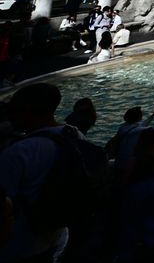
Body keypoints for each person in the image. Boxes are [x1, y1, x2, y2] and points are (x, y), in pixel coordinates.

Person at [0, 83, 98, 263]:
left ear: (27, 110)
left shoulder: (20, 152)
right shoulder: (75, 134)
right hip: (60, 233)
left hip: (21, 244)